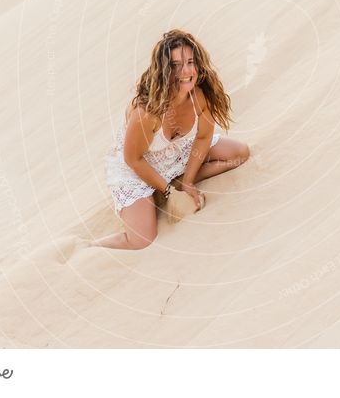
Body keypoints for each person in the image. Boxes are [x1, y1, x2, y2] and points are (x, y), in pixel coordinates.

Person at [92, 29, 250, 250]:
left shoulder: (198, 97)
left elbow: (203, 137)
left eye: (190, 62)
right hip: (137, 170)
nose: (185, 71)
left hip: (177, 154)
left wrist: (188, 183)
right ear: (164, 71)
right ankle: (88, 249)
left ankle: (177, 181)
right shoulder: (147, 111)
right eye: (175, 65)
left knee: (239, 154)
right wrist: (169, 194)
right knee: (141, 240)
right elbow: (133, 159)